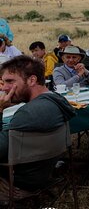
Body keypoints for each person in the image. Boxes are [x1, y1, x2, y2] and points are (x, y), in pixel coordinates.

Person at [0, 56, 76, 195]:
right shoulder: (56, 101)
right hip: (43, 173)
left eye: (10, 81)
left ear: (32, 80)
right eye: (3, 82)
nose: (4, 88)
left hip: (16, 183)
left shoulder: (28, 114)